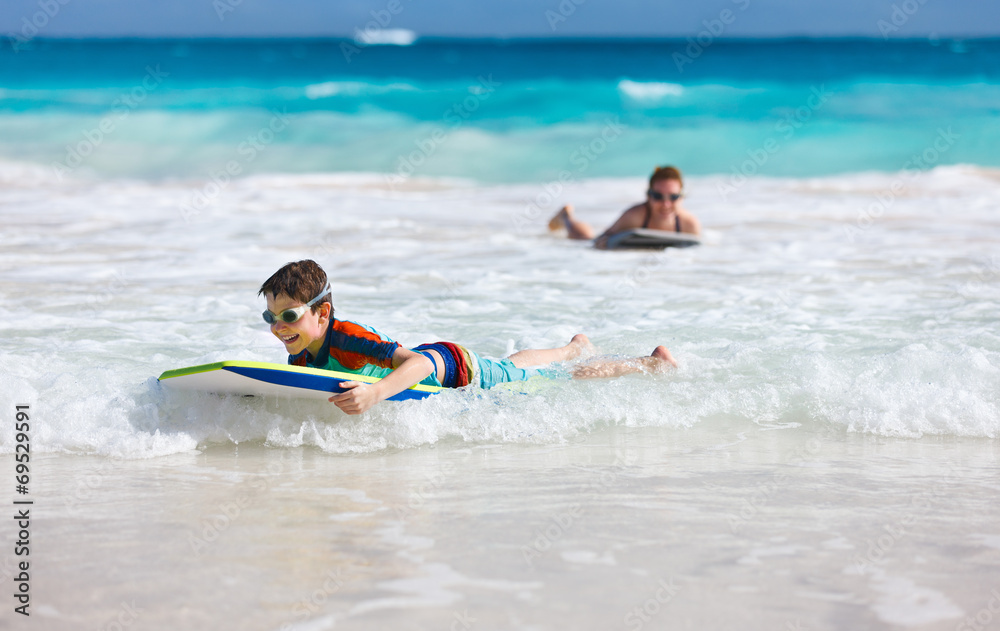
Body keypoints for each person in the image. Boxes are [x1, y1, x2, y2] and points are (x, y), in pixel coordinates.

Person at [259, 259, 678, 415]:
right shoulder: (302, 353)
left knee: (557, 381)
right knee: (513, 365)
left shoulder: (346, 337)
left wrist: (375, 394)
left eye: (289, 316)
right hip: (448, 362)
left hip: (452, 369)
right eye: (271, 317)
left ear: (322, 313)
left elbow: (416, 363)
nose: (279, 328)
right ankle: (574, 347)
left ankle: (647, 363)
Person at [548, 165, 701, 248]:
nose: (666, 204)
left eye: (673, 197)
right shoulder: (635, 216)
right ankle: (566, 217)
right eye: (658, 196)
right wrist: (603, 244)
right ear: (648, 196)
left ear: (682, 197)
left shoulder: (689, 225)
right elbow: (601, 239)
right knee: (584, 239)